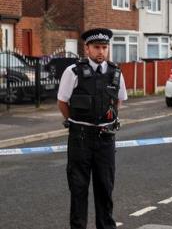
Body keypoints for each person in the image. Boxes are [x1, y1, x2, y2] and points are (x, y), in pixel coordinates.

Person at [57, 28, 127, 229]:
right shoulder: (73, 72)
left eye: (104, 47)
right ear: (86, 48)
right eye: (96, 47)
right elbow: (62, 102)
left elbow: (118, 101)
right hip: (80, 138)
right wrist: (74, 121)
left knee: (105, 187)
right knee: (78, 188)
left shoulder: (115, 73)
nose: (101, 52)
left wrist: (108, 118)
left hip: (105, 138)